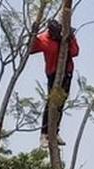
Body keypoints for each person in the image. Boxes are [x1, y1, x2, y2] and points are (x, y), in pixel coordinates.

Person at [30, 18, 80, 146]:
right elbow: (31, 49)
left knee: (60, 104)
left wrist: (71, 38)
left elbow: (75, 52)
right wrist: (33, 34)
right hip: (53, 74)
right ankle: (44, 133)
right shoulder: (44, 39)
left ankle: (55, 132)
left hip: (67, 73)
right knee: (51, 103)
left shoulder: (65, 37)